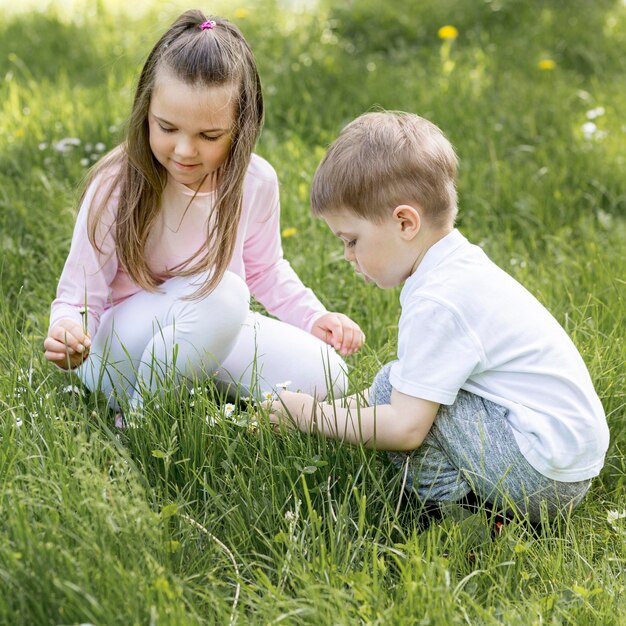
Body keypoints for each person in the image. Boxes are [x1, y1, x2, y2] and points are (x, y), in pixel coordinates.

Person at [270, 111, 609, 523]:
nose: (347, 256)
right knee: (396, 383)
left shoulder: (437, 301)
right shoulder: (458, 266)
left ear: (404, 222)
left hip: (540, 475)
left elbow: (405, 428)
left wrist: (311, 417)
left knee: (393, 398)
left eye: (352, 240)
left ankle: (465, 518)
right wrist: (331, 408)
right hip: (565, 462)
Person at [44, 10, 364, 414]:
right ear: (146, 111)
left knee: (328, 374)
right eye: (166, 127)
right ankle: (145, 419)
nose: (184, 150)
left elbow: (266, 269)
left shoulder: (256, 181)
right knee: (227, 293)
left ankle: (189, 380)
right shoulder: (117, 183)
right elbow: (78, 295)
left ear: (241, 127)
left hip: (211, 326)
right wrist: (70, 331)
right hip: (117, 354)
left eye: (209, 136)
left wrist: (313, 318)